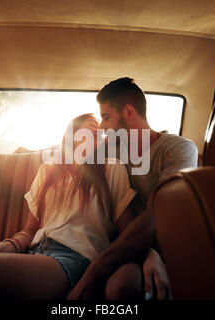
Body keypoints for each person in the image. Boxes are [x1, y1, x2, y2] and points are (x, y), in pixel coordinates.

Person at [0, 113, 138, 299]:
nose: (100, 132)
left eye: (101, 131)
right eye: (92, 126)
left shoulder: (112, 168)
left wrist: (149, 256)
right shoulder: (47, 171)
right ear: (73, 134)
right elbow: (29, 230)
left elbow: (129, 233)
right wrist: (10, 245)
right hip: (35, 250)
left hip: (73, 258)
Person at [67, 77, 198, 300]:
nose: (103, 126)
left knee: (122, 286)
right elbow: (74, 154)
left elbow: (161, 214)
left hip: (159, 242)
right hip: (123, 245)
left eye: (106, 117)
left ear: (128, 113)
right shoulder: (111, 148)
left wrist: (94, 272)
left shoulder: (178, 149)